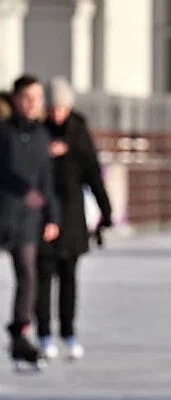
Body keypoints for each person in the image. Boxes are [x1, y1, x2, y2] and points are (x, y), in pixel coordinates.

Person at [35, 76, 113, 361]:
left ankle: (68, 332)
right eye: (52, 107)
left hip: (71, 216)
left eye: (61, 107)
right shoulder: (38, 132)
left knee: (69, 277)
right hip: (42, 215)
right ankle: (43, 333)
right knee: (42, 276)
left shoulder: (78, 132)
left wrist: (106, 211)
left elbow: (93, 172)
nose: (56, 113)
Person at [0, 74, 60, 368]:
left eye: (38, 98)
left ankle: (21, 335)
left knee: (28, 276)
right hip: (2, 213)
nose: (34, 103)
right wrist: (24, 191)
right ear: (16, 100)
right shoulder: (3, 132)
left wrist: (52, 216)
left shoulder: (41, 135)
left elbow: (46, 180)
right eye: (28, 98)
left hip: (27, 221)